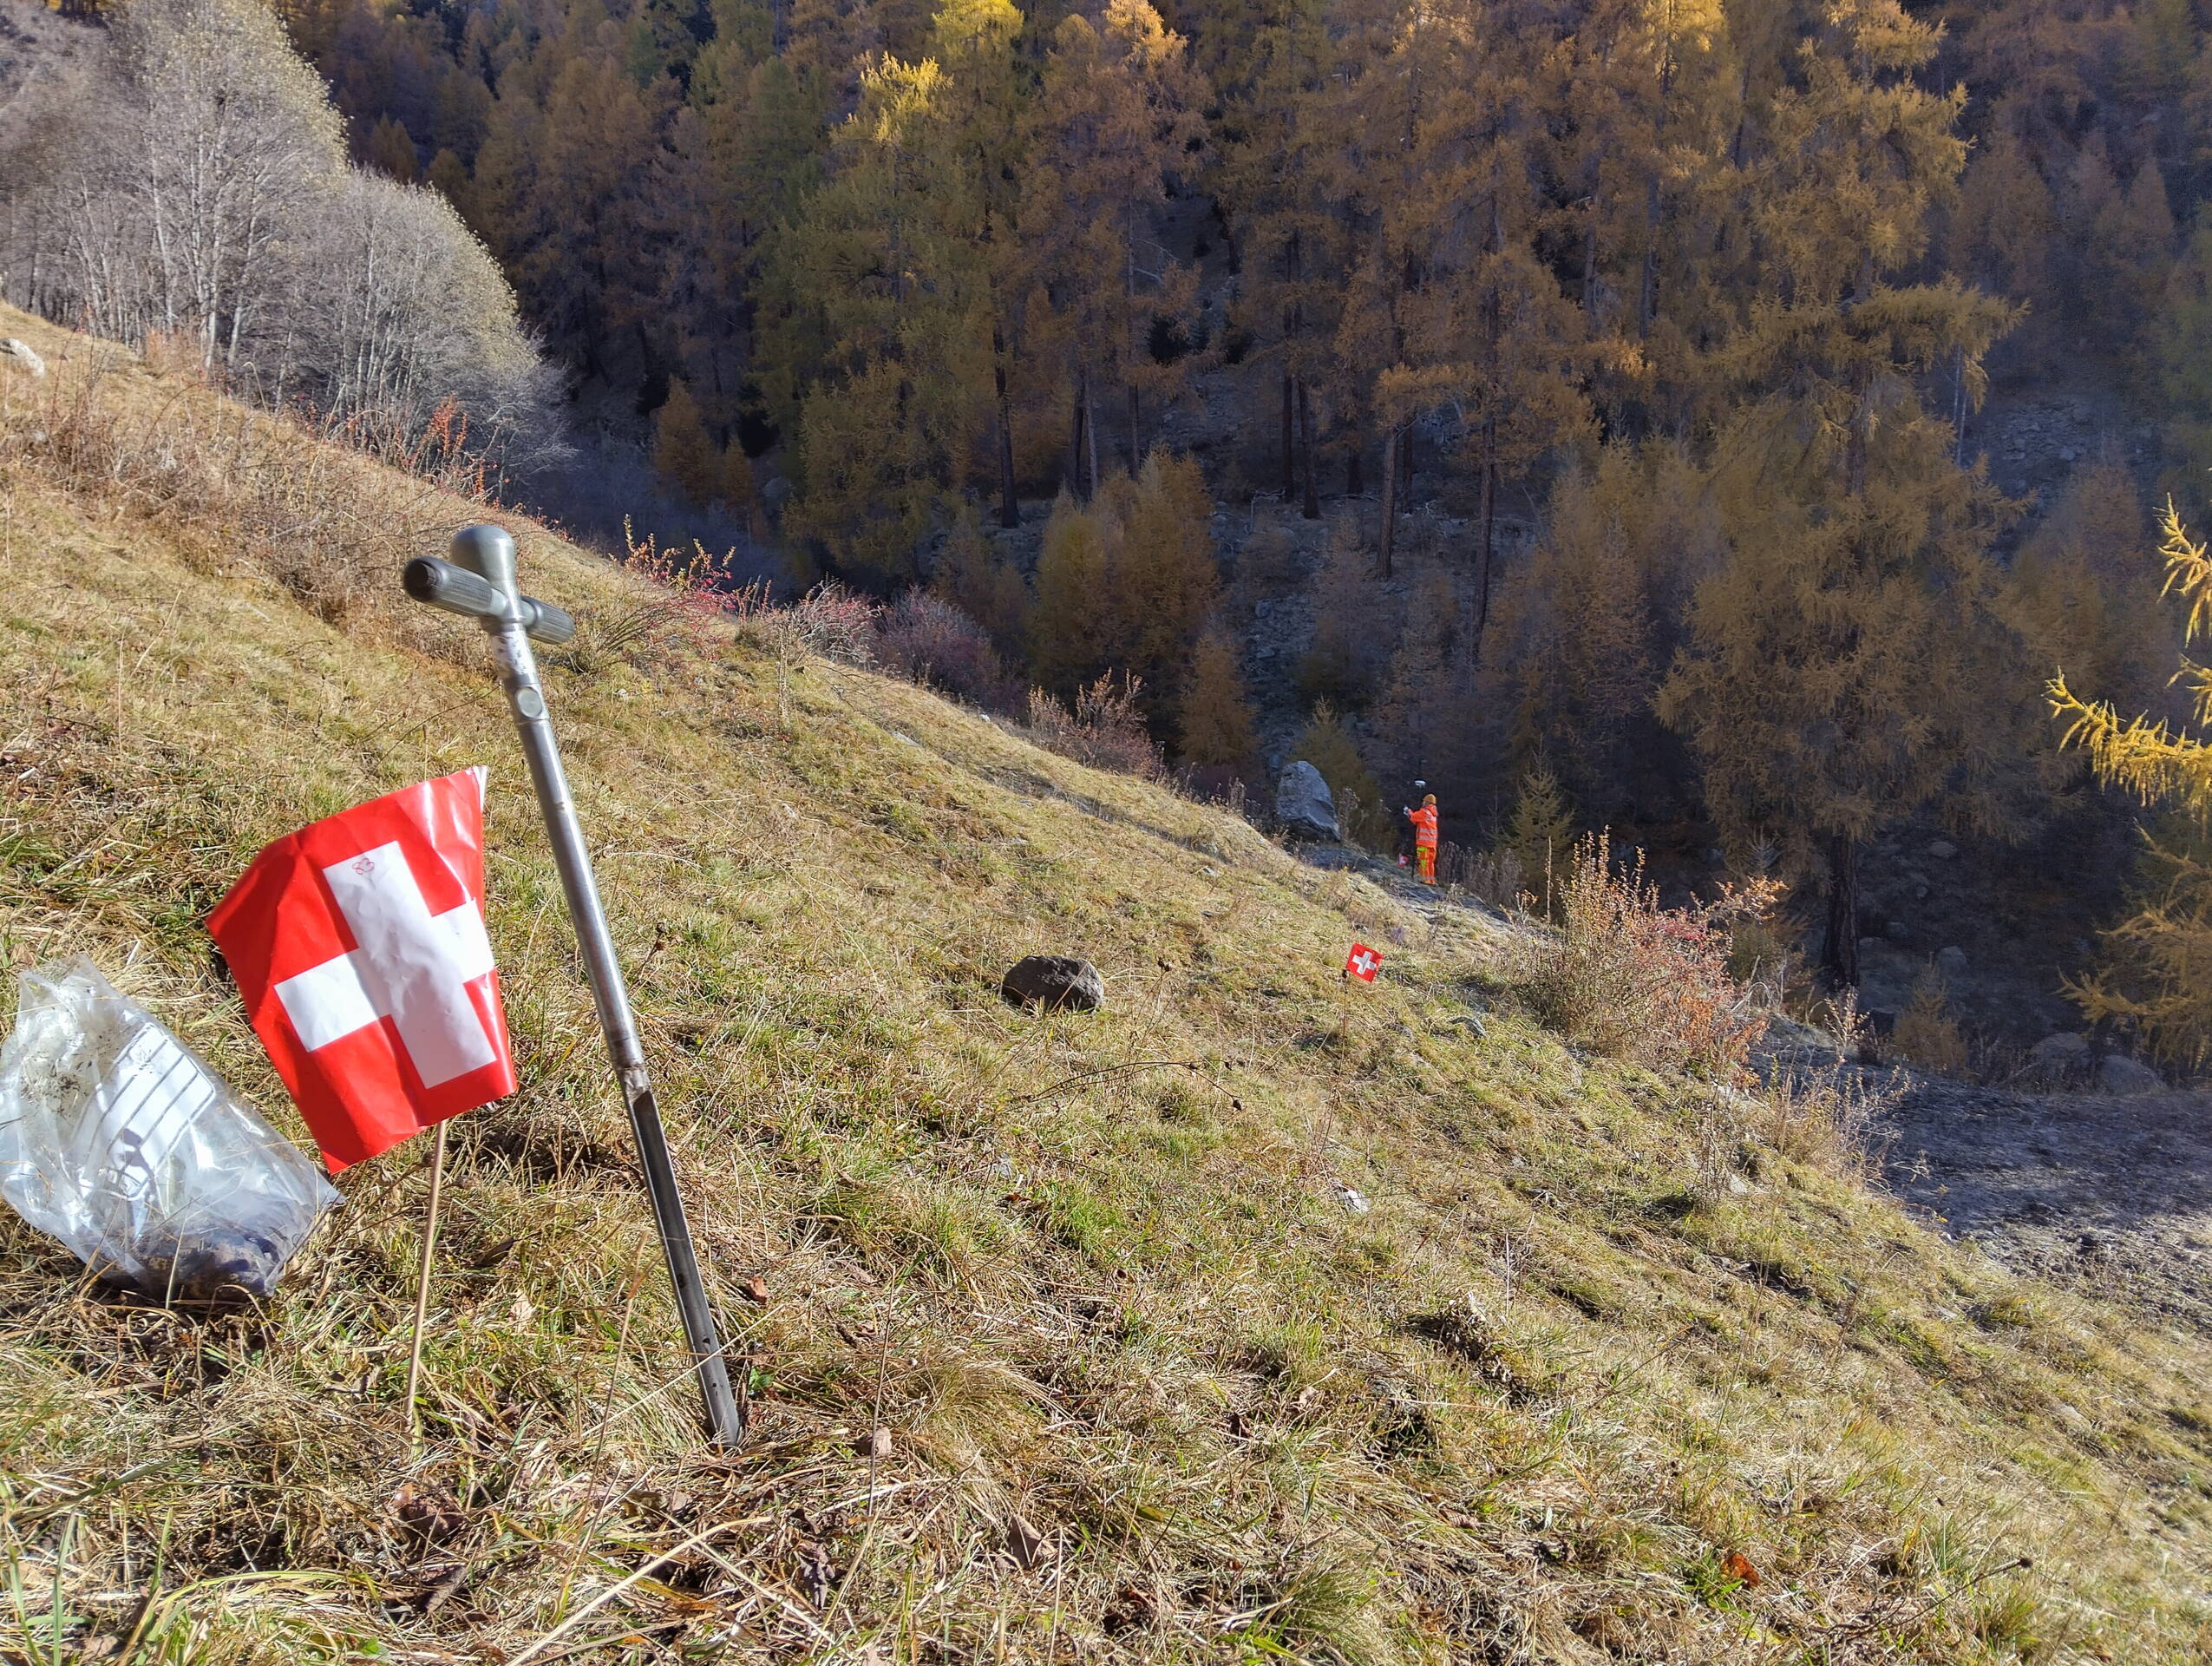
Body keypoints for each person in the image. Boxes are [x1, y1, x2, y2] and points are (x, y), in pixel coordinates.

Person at [1404, 793, 1438, 883]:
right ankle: (1431, 880)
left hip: (1423, 843)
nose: (1422, 803)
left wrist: (1408, 811)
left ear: (1427, 802)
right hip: (1432, 844)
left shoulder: (1425, 812)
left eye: (1424, 801)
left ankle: (1425, 880)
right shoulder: (1433, 814)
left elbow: (1414, 817)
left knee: (1423, 861)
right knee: (1430, 863)